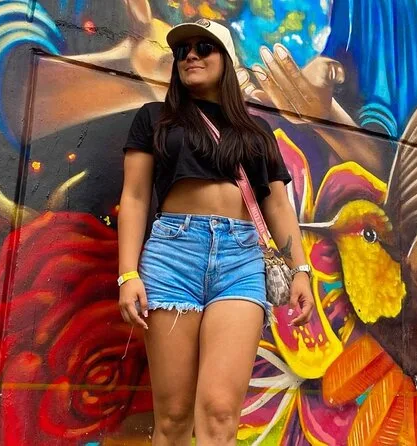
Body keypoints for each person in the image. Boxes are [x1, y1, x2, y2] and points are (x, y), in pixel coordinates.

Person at [117, 19, 314, 445]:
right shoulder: (154, 118)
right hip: (173, 257)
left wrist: (301, 270)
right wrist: (128, 274)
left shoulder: (256, 132)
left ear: (225, 59)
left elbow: (278, 205)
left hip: (240, 261)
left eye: (204, 47)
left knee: (221, 412)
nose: (191, 55)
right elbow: (134, 197)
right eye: (183, 49)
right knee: (173, 416)